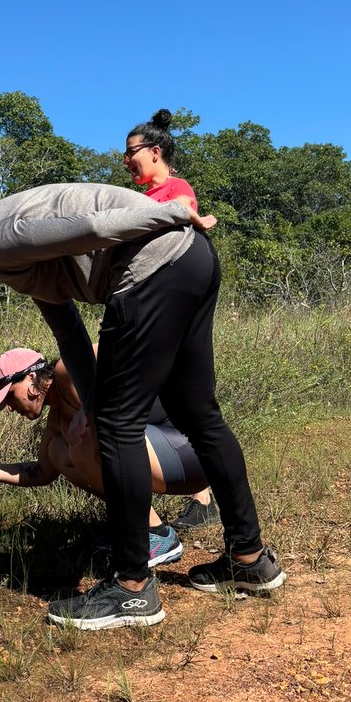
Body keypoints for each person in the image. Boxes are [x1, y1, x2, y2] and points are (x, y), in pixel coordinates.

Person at [0, 183, 284, 632]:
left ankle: (132, 588)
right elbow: (68, 333)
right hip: (190, 260)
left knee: (120, 427)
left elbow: (92, 227)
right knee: (197, 414)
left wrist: (172, 213)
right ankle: (249, 559)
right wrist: (97, 405)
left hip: (152, 265)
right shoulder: (9, 253)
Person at [0, 347, 213, 568]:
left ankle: (156, 535)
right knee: (58, 451)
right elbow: (42, 472)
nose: (10, 408)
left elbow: (119, 349)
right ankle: (132, 528)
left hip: (189, 450)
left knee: (83, 439)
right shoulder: (57, 419)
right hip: (162, 462)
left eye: (9, 397)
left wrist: (89, 409)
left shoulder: (67, 370)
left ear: (30, 379)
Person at [123, 108, 219, 530]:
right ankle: (195, 490)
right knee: (166, 396)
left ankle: (202, 492)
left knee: (180, 397)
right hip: (148, 301)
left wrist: (196, 217)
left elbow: (183, 210)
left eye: (131, 153)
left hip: (174, 304)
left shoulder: (175, 187)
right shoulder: (141, 199)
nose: (127, 161)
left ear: (155, 151)